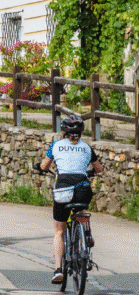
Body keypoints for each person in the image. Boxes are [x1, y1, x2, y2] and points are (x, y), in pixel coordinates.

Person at [37, 115, 103, 284]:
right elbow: (99, 169)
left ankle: (58, 269)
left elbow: (44, 166)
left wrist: (40, 168)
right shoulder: (87, 148)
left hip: (63, 189)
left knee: (59, 231)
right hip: (82, 188)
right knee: (80, 209)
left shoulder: (56, 145)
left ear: (64, 131)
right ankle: (85, 233)